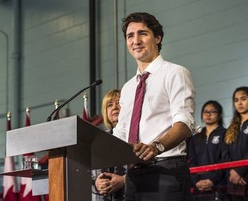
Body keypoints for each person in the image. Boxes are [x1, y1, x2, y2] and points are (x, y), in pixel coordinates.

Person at [112, 12, 196, 201]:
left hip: (166, 171)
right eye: (130, 36)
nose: (136, 40)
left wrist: (156, 147)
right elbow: (121, 133)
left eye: (143, 33)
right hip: (133, 176)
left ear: (157, 37)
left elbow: (184, 123)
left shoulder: (175, 73)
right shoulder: (127, 88)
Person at [188, 100, 229, 200]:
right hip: (198, 186)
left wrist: (212, 180)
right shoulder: (196, 138)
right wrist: (196, 181)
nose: (208, 114)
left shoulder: (226, 133)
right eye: (205, 111)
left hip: (219, 185)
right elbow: (191, 161)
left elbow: (225, 160)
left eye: (212, 111)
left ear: (219, 115)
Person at [92, 89, 126, 201]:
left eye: (119, 103)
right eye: (109, 105)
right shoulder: (98, 139)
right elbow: (90, 174)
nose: (115, 107)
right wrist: (96, 183)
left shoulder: (138, 134)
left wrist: (124, 180)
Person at [222, 86, 248, 201]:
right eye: (236, 100)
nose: (239, 103)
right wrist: (232, 172)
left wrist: (239, 171)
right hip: (234, 181)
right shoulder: (231, 128)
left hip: (247, 177)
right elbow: (224, 154)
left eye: (243, 99)